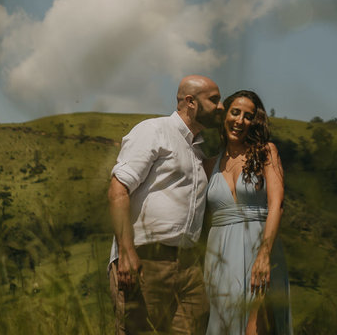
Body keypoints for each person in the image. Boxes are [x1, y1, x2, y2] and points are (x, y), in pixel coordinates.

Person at [108, 75, 224, 334]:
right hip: (146, 259)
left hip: (188, 266)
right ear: (190, 102)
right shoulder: (154, 130)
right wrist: (126, 254)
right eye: (214, 100)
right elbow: (118, 190)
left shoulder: (199, 149)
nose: (221, 107)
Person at [204, 90, 292, 335]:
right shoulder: (209, 164)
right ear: (224, 117)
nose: (240, 120)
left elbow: (277, 203)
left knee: (256, 326)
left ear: (255, 122)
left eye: (248, 116)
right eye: (235, 112)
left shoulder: (266, 152)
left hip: (258, 247)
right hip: (218, 257)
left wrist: (264, 255)